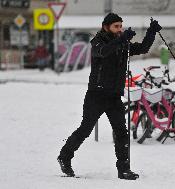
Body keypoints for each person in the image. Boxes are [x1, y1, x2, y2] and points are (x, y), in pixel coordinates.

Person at [57, 13, 162, 180]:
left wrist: (151, 32)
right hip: (96, 96)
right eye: (116, 26)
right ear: (106, 27)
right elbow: (104, 52)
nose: (119, 29)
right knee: (85, 129)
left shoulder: (122, 44)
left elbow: (143, 48)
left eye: (121, 26)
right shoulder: (97, 42)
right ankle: (64, 157)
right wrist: (122, 39)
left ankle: (124, 169)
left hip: (113, 97)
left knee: (121, 132)